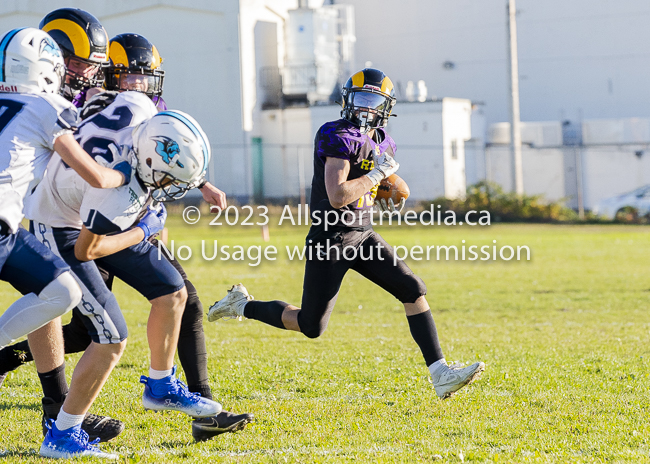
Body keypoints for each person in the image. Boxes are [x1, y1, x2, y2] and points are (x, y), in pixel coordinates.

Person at [208, 68, 485, 400]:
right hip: (331, 239)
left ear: (386, 107)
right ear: (347, 101)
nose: (367, 109)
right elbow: (338, 195)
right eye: (362, 100)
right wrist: (379, 174)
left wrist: (387, 191)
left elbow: (373, 184)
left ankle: (440, 374)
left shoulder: (383, 139)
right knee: (311, 326)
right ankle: (242, 305)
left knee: (412, 289)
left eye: (375, 102)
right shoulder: (337, 135)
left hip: (363, 234)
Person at [0, 26, 130, 352]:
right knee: (62, 292)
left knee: (63, 290)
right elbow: (97, 177)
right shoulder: (47, 107)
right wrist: (124, 175)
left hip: (9, 230)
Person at [39, 8, 110, 108]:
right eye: (77, 64)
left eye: (91, 66)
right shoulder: (30, 95)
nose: (85, 74)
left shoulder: (92, 98)